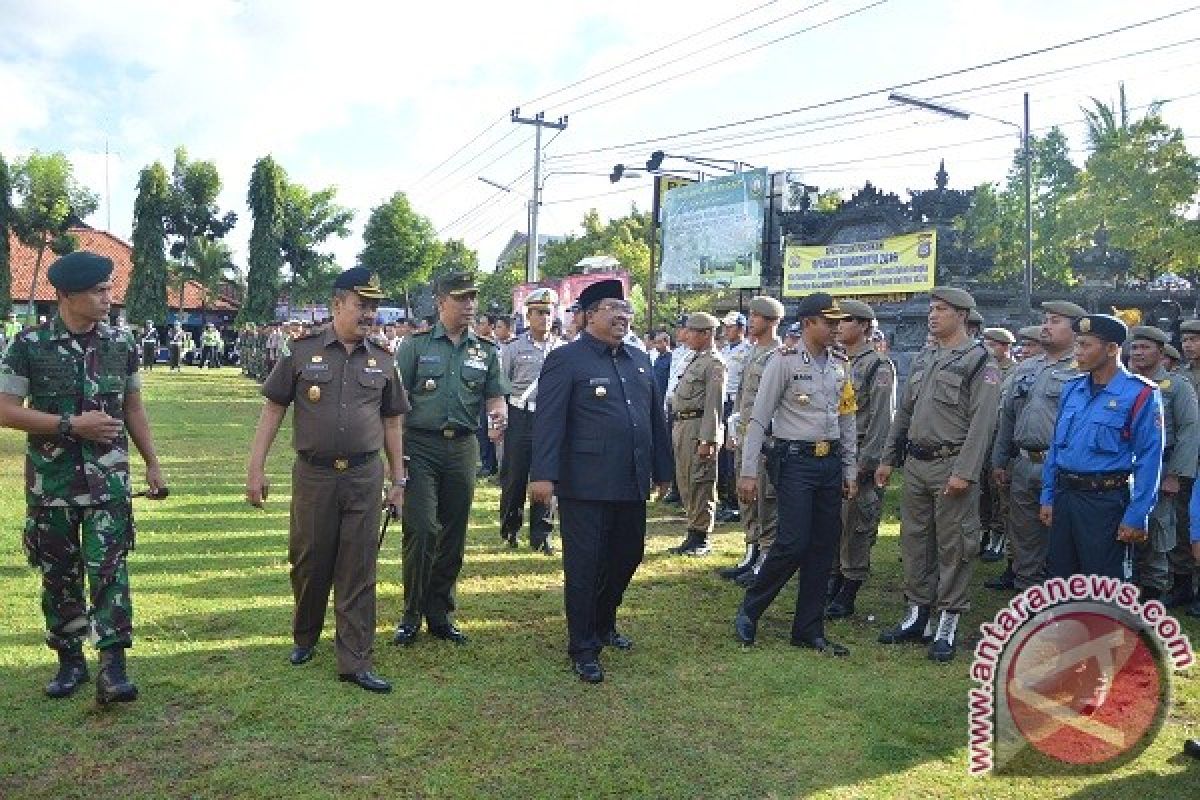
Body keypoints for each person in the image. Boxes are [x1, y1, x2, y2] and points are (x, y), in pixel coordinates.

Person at [0, 251, 165, 703]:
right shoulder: (29, 345)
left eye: (109, 288)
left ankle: (113, 669)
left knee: (110, 571)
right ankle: (70, 660)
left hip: (108, 481)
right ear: (66, 295)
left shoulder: (121, 343)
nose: (109, 298)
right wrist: (71, 425)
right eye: (99, 291)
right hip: (51, 486)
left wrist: (152, 461)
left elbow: (132, 407)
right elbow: (6, 410)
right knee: (59, 575)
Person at [246, 268, 407, 694]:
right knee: (310, 561)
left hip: (363, 476)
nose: (369, 313)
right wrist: (255, 468)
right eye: (362, 304)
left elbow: (392, 422)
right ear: (337, 306)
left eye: (374, 306)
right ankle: (305, 634)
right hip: (314, 476)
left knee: (359, 567)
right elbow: (273, 411)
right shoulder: (301, 351)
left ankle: (355, 658)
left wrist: (399, 479)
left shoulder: (385, 359)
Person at [529, 279, 673, 683]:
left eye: (626, 310)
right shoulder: (567, 359)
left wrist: (663, 469)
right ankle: (583, 645)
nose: (623, 316)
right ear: (590, 315)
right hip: (586, 483)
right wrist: (543, 474)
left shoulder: (639, 360)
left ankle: (605, 622)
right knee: (586, 564)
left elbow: (653, 420)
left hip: (631, 479)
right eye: (614, 308)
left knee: (628, 555)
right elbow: (549, 421)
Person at [876, 287, 1001, 663]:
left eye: (941, 309)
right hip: (916, 463)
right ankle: (917, 614)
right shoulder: (925, 357)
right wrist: (887, 457)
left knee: (954, 545)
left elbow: (983, 422)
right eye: (931, 309)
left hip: (952, 463)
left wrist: (965, 471)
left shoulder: (981, 361)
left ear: (962, 314)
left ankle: (947, 621)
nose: (933, 315)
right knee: (915, 540)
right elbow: (905, 413)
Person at [732, 293, 857, 655]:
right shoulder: (783, 362)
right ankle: (750, 609)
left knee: (823, 546)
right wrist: (749, 471)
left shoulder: (839, 363)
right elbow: (758, 418)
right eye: (829, 322)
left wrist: (849, 468)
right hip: (795, 461)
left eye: (838, 323)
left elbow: (846, 418)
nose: (836, 329)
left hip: (829, 462)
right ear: (807, 324)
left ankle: (808, 628)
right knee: (793, 542)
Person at [392, 272, 508, 647]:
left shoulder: (486, 351)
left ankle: (439, 612)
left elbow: (494, 396)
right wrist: (395, 460)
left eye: (473, 298)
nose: (470, 305)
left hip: (462, 448)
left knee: (453, 534)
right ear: (441, 303)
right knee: (423, 529)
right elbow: (395, 405)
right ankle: (411, 612)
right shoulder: (414, 346)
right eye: (461, 298)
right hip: (420, 446)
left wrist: (498, 414)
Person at [1040, 314, 1163, 583]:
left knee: (1103, 583)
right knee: (1060, 579)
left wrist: (1137, 515)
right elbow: (1056, 448)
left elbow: (1149, 459)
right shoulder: (1072, 389)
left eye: (1085, 345)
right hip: (1065, 495)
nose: (1078, 352)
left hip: (1105, 501)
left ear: (1111, 349)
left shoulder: (1140, 393)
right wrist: (1048, 495)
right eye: (1077, 345)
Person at [989, 301, 1086, 592]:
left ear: (1075, 330)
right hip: (1022, 464)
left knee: (1063, 538)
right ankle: (1027, 594)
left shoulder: (1083, 369)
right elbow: (1008, 415)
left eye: (1055, 321)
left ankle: (1063, 599)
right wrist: (999, 459)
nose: (1046, 326)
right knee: (1023, 535)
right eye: (1045, 320)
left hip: (1062, 467)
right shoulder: (1026, 368)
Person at [826, 299, 895, 619]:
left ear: (865, 326)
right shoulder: (834, 360)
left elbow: (882, 418)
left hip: (862, 451)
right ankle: (833, 577)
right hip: (833, 450)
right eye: (836, 321)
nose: (839, 326)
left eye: (847, 321)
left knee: (857, 523)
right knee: (833, 521)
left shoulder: (877, 365)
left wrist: (868, 463)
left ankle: (849, 587)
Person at [1127, 325, 1198, 600]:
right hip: (1127, 467)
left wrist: (1175, 475)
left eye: (1145, 348)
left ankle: (1157, 585)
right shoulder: (1125, 383)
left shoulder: (1177, 386)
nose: (1139, 353)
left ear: (1160, 352)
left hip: (1162, 467)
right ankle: (1131, 581)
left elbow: (1189, 431)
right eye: (1135, 348)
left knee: (1158, 526)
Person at [719, 296, 785, 587]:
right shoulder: (753, 352)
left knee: (765, 498)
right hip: (745, 434)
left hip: (765, 439)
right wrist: (734, 429)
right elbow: (742, 395)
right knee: (746, 498)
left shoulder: (778, 355)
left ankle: (766, 561)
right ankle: (751, 550)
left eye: (757, 317)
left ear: (771, 321)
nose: (751, 321)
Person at [498, 288, 562, 554]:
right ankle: (511, 528)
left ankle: (542, 533)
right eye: (539, 313)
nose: (544, 318)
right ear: (528, 315)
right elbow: (502, 385)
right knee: (515, 475)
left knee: (546, 474)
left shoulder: (562, 348)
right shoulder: (514, 348)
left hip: (550, 417)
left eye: (549, 312)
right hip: (520, 415)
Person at [667, 312, 726, 556]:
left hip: (699, 426)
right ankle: (692, 531)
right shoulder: (695, 359)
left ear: (707, 334)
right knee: (686, 480)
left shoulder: (714, 363)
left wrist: (708, 439)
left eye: (692, 331)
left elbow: (714, 404)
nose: (686, 335)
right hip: (684, 424)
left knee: (701, 481)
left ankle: (701, 537)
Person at [979, 327, 1017, 563]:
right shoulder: (982, 369)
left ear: (1005, 347)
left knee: (998, 490)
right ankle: (982, 533)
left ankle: (998, 538)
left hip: (1000, 437)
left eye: (993, 344)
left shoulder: (1014, 372)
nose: (987, 348)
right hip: (983, 435)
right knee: (981, 488)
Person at [1169, 318, 1200, 611]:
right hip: (1184, 458)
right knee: (1181, 523)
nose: (1189, 345)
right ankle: (1182, 585)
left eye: (1195, 340)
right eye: (1186, 340)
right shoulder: (1180, 376)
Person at [717, 312, 751, 523]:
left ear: (741, 328)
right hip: (722, 403)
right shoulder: (723, 350)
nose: (726, 330)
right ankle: (726, 499)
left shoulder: (748, 350)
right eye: (725, 327)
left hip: (736, 405)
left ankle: (736, 503)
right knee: (723, 454)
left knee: (734, 454)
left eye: (730, 327)